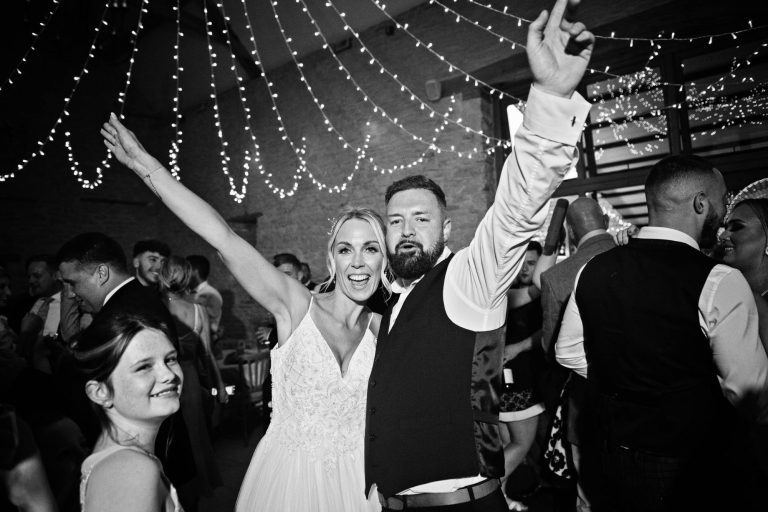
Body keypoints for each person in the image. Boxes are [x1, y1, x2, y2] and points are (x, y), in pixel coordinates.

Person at [365, 1, 595, 510]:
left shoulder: (467, 278)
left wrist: (553, 97)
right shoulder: (390, 299)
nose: (406, 231)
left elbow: (516, 207)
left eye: (421, 220)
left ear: (446, 229)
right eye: (396, 221)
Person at [101, 114, 390, 510]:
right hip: (290, 482)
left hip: (361, 484)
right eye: (346, 249)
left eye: (370, 248)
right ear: (332, 259)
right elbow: (221, 235)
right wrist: (145, 165)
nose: (358, 262)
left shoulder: (385, 328)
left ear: (384, 260)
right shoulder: (296, 305)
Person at [555, 155, 768, 511]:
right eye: (722, 200)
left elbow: (568, 351)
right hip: (692, 463)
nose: (723, 213)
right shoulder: (718, 279)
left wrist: (627, 380)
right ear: (701, 203)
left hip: (614, 456)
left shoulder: (594, 269)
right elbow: (749, 391)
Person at [57, 233, 197, 503]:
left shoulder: (126, 312)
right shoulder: (137, 301)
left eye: (72, 282)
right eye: (145, 365)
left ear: (100, 273)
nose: (71, 293)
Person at [539, 196, 615, 512]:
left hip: (586, 406)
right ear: (607, 223)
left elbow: (550, 348)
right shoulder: (639, 256)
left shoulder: (557, 277)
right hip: (649, 407)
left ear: (570, 231)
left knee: (589, 498)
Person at [76, 311, 184, 512]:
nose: (168, 375)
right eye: (144, 367)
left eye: (170, 359)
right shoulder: (129, 470)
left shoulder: (127, 460)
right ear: (100, 392)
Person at [158, 256, 226, 497]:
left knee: (166, 440)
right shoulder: (198, 311)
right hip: (191, 381)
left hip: (162, 380)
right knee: (195, 436)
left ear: (161, 277)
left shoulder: (157, 310)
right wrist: (218, 387)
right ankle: (194, 493)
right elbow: (206, 355)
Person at [499, 242, 545, 509]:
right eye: (523, 262)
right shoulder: (509, 295)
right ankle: (491, 492)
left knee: (509, 446)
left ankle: (503, 497)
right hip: (517, 384)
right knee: (520, 445)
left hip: (517, 381)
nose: (527, 268)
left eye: (532, 263)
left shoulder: (532, 293)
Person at [186, 255, 224, 343]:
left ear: (195, 271)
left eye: (186, 270)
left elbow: (209, 326)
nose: (183, 274)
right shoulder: (189, 293)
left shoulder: (210, 294)